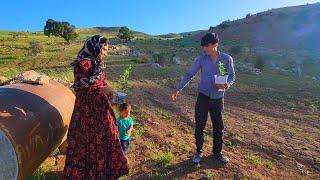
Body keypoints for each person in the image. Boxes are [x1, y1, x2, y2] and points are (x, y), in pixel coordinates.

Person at [64, 35, 128, 179]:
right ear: (96, 47)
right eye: (104, 49)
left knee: (106, 138)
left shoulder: (97, 63)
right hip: (87, 112)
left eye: (107, 49)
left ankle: (102, 172)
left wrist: (111, 92)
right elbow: (82, 85)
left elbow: (102, 83)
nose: (106, 53)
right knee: (87, 141)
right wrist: (103, 90)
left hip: (100, 108)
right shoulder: (84, 63)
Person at [171, 32, 235, 164]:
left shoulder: (226, 59)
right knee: (200, 124)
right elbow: (189, 74)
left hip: (218, 98)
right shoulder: (200, 60)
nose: (205, 48)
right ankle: (199, 151)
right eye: (203, 46)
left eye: (207, 45)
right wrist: (178, 88)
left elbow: (232, 76)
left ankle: (217, 152)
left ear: (215, 45)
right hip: (203, 96)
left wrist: (227, 84)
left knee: (218, 125)